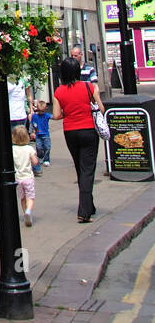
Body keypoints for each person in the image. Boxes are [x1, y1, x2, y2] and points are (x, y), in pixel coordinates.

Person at [52, 57, 106, 223]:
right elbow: (101, 108)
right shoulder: (89, 87)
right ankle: (84, 211)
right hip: (89, 130)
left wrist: (68, 113)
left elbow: (56, 115)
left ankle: (89, 205)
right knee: (88, 170)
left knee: (80, 168)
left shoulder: (58, 91)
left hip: (70, 132)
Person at [12, 124, 38, 226]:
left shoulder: (12, 149)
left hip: (18, 178)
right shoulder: (29, 148)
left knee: (22, 198)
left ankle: (25, 214)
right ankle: (28, 212)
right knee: (30, 197)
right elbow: (35, 162)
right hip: (28, 178)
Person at [29, 99, 53, 169]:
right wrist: (31, 132)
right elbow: (32, 124)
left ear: (45, 109)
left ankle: (46, 159)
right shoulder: (35, 116)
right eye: (40, 111)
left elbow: (54, 116)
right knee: (39, 147)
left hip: (46, 134)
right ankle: (40, 157)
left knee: (47, 147)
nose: (41, 112)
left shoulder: (46, 115)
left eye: (43, 111)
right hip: (38, 134)